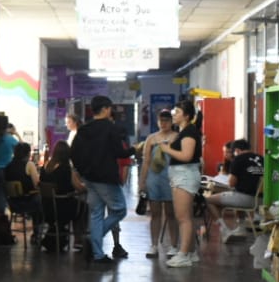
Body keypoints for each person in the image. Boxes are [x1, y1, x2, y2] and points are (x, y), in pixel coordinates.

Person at [70, 94, 134, 264]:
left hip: (89, 178)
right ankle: (94, 239)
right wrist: (135, 149)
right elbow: (120, 152)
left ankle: (98, 255)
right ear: (105, 109)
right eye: (110, 108)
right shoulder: (110, 128)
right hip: (106, 178)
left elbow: (74, 153)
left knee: (97, 213)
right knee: (120, 210)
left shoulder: (83, 129)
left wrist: (82, 172)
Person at [159, 96, 204, 267]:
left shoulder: (190, 132)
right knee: (186, 217)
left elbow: (186, 156)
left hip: (185, 175)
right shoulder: (184, 132)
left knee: (183, 217)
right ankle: (190, 252)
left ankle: (184, 254)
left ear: (186, 116)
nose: (173, 115)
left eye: (177, 112)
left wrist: (167, 149)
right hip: (180, 175)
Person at [139, 108, 180, 260]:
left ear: (171, 122)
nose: (163, 123)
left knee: (171, 214)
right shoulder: (151, 138)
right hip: (154, 179)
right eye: (161, 120)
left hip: (171, 179)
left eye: (166, 120)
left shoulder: (177, 137)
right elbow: (146, 161)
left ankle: (174, 246)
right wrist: (142, 182)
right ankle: (154, 245)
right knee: (155, 214)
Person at [207, 139, 264, 239]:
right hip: (262, 200)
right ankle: (240, 228)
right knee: (234, 194)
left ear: (237, 150)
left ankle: (224, 231)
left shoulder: (238, 159)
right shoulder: (261, 158)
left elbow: (231, 183)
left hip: (246, 199)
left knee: (209, 200)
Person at [38, 140, 84, 252]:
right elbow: (79, 188)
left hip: (46, 209)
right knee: (83, 207)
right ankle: (78, 240)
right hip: (62, 208)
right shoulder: (66, 169)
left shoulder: (45, 167)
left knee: (76, 204)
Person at [0, 115, 18, 212]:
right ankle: (1, 216)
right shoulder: (9, 139)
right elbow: (23, 150)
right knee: (2, 194)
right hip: (6, 171)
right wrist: (16, 134)